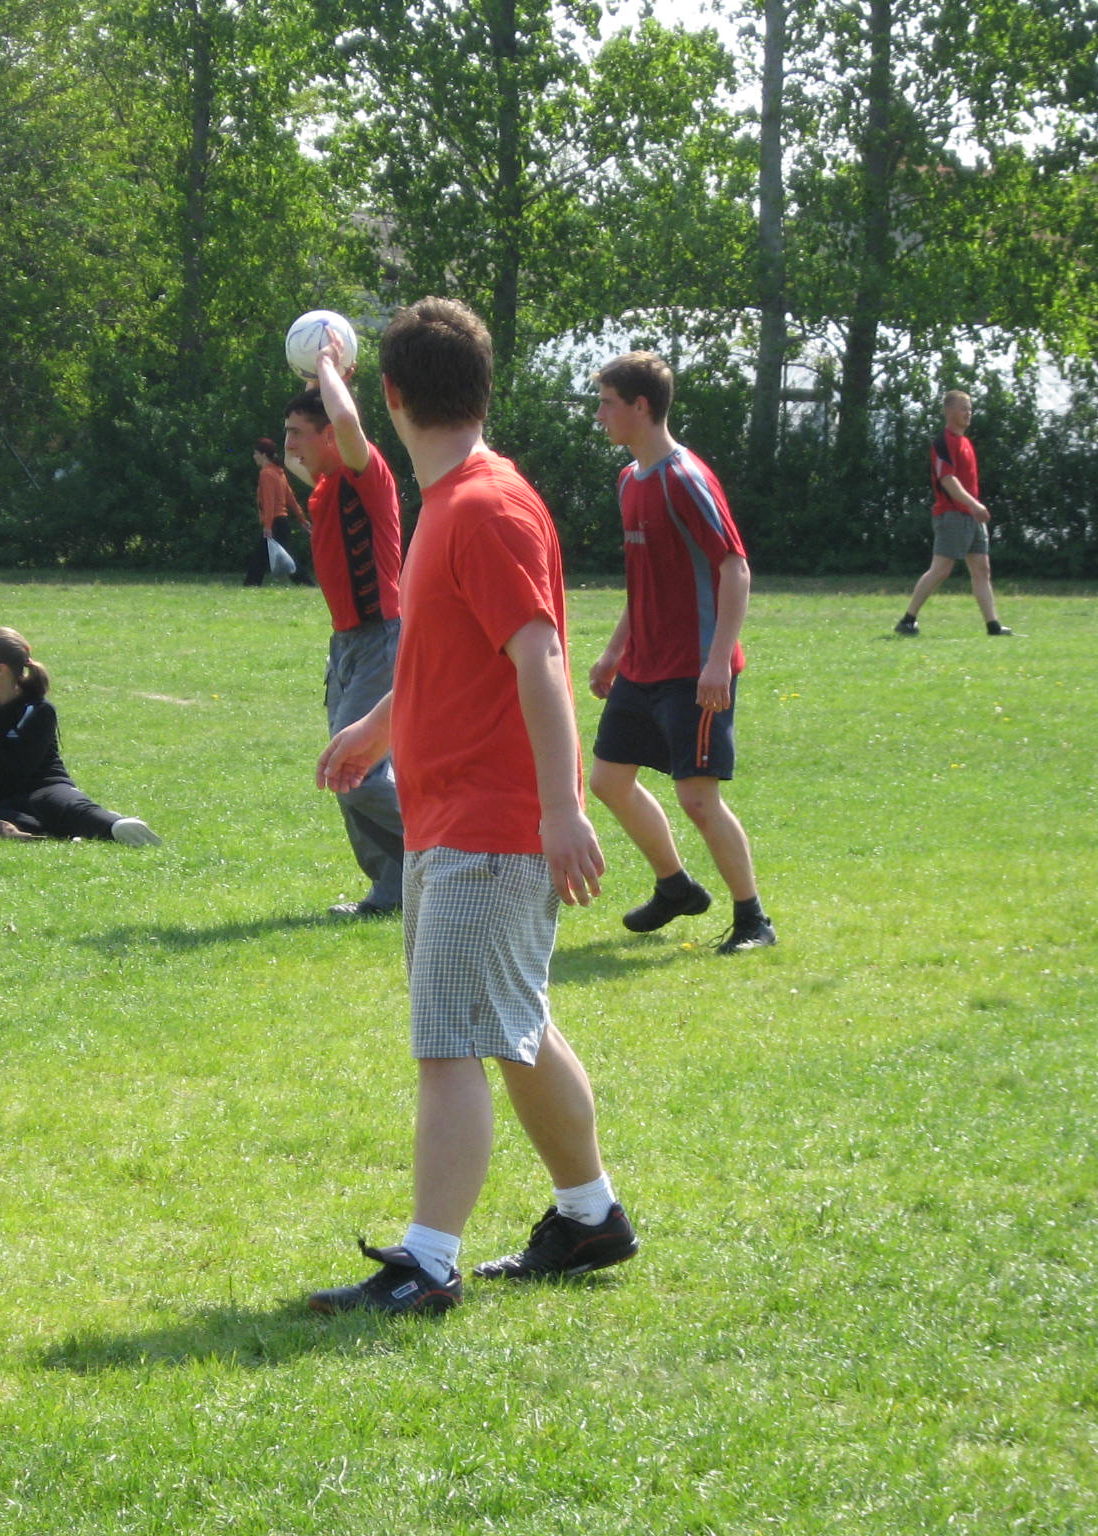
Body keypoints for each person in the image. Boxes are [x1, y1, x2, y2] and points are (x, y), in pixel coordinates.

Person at [309, 297, 637, 1317]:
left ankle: (427, 1261)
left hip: (490, 827)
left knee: (448, 1040)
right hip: (460, 817)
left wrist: (559, 809)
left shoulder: (484, 506)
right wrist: (378, 726)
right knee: (513, 1024)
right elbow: (451, 646)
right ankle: (590, 1218)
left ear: (392, 395)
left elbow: (538, 656)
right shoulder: (454, 500)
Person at [587, 353, 777, 954]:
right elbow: (646, 581)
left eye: (607, 403)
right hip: (643, 667)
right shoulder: (629, 480)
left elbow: (734, 567)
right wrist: (614, 652)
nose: (599, 416)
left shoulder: (684, 478)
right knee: (608, 781)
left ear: (641, 406)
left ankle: (753, 920)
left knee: (697, 797)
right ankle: (675, 887)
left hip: (693, 670)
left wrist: (717, 662)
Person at [282, 342, 406, 917]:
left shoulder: (365, 474)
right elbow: (315, 441)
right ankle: (392, 889)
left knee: (355, 770)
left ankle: (460, 844)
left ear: (330, 435)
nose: (290, 446)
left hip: (382, 636)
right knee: (348, 769)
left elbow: (349, 423)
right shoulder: (326, 484)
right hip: (348, 645)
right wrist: (314, 383)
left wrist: (329, 367)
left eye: (297, 434)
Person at [0, 627, 160, 845]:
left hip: (44, 787)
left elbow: (14, 771)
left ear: (0, 670)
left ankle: (115, 825)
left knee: (61, 804)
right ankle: (58, 828)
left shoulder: (38, 710)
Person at [893, 390, 1012, 637]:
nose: (968, 413)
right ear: (948, 411)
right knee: (941, 569)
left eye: (970, 409)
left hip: (970, 515)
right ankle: (907, 620)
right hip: (952, 515)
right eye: (963, 408)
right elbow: (948, 480)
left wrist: (973, 508)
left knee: (981, 569)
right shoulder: (943, 442)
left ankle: (993, 626)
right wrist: (974, 505)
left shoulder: (965, 442)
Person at [244, 438, 311, 587]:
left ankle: (306, 583)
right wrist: (302, 519)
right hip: (282, 522)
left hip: (274, 522)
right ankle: (252, 583)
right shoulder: (279, 473)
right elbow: (291, 499)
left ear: (263, 454)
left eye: (256, 453)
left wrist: (267, 526)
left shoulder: (266, 473)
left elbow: (269, 502)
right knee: (265, 556)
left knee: (268, 557)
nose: (254, 456)